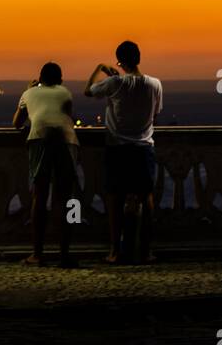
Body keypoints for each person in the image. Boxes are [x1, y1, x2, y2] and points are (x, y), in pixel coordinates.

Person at [85, 40, 163, 264]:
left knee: (115, 200)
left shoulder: (114, 83)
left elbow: (88, 91)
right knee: (146, 200)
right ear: (138, 58)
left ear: (120, 62)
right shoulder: (155, 84)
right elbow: (155, 114)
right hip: (144, 147)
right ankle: (146, 251)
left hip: (117, 148)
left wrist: (100, 69)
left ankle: (115, 251)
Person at [13, 62, 78, 267]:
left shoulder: (29, 93)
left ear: (40, 78)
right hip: (67, 140)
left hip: (39, 137)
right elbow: (66, 116)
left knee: (40, 196)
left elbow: (17, 122)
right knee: (66, 198)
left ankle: (37, 254)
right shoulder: (66, 92)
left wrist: (28, 92)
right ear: (60, 80)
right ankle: (65, 254)